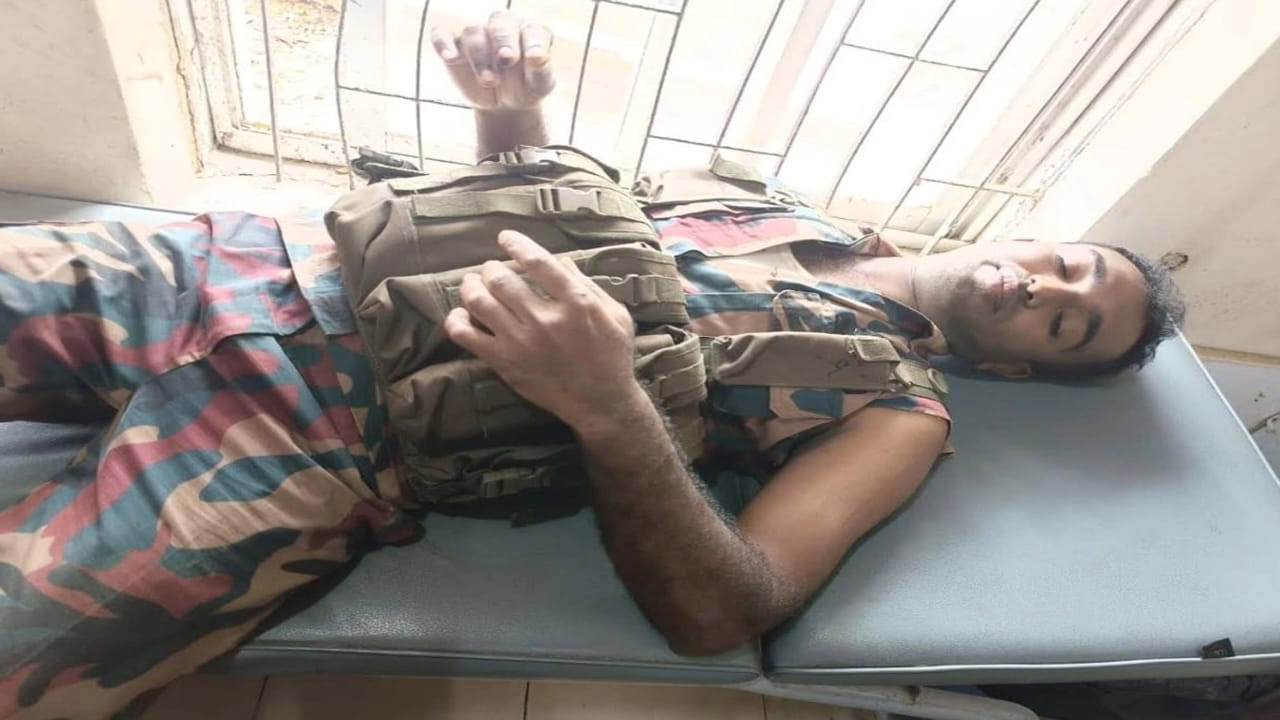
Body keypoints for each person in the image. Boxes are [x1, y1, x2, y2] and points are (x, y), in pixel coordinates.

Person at [0, 11, 1184, 719]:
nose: (1046, 289)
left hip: (297, 448)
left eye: (1066, 326)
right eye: (1068, 265)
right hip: (237, 263)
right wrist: (506, 119)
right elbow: (532, 221)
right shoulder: (760, 200)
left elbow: (723, 611)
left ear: (1017, 372)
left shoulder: (897, 416)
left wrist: (608, 405)